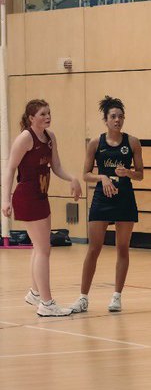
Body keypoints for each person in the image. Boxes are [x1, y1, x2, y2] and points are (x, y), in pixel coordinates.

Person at [1, 99, 82, 317]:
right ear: (31, 118)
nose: (47, 116)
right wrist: (5, 199)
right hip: (26, 196)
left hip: (41, 196)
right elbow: (9, 169)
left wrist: (72, 178)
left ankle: (35, 293)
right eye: (43, 114)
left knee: (40, 248)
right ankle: (47, 304)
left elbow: (56, 166)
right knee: (44, 249)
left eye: (49, 112)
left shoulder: (50, 137)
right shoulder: (25, 138)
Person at [71, 96, 143, 315]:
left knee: (122, 247)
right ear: (105, 120)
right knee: (94, 248)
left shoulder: (132, 142)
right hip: (102, 198)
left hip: (124, 198)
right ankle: (83, 298)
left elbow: (140, 175)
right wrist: (102, 178)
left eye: (121, 117)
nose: (117, 120)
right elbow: (85, 174)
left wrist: (128, 173)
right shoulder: (96, 143)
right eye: (113, 117)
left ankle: (117, 296)